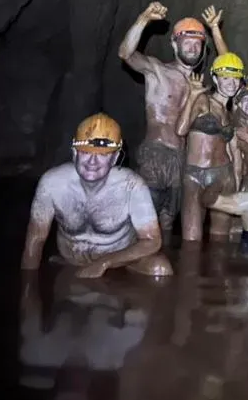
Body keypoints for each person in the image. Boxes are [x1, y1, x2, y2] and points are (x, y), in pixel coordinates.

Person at [21, 113, 172, 278]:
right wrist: (28, 291)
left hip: (119, 261)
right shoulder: (52, 183)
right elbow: (35, 241)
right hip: (72, 262)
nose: (92, 161)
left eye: (102, 154)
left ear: (114, 158)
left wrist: (105, 263)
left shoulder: (131, 186)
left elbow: (152, 241)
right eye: (86, 152)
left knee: (161, 269)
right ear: (74, 153)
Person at [118, 1, 208, 243]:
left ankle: (161, 276)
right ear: (174, 44)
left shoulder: (202, 89)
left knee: (168, 224)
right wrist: (144, 19)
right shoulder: (158, 71)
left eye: (197, 43)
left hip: (183, 161)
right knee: (142, 222)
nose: (192, 47)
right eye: (187, 41)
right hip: (155, 154)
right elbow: (125, 54)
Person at [176, 53, 245, 242]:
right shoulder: (202, 101)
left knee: (219, 240)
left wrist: (237, 189)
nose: (231, 83)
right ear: (215, 79)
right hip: (194, 175)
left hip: (223, 176)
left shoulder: (230, 114)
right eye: (225, 78)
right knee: (191, 241)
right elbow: (181, 130)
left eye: (236, 79)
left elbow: (235, 154)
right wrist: (191, 96)